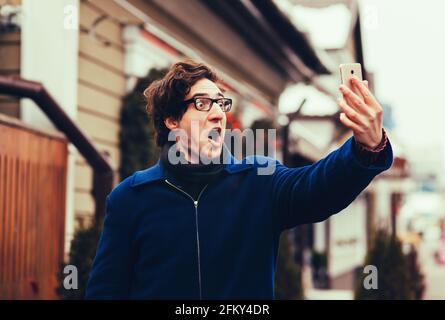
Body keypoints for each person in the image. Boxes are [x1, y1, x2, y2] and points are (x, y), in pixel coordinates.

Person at [85, 59, 392, 299]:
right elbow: (105, 292)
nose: (218, 113)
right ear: (172, 121)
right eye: (202, 104)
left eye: (221, 103)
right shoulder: (131, 198)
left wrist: (366, 146)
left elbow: (318, 187)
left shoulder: (259, 182)